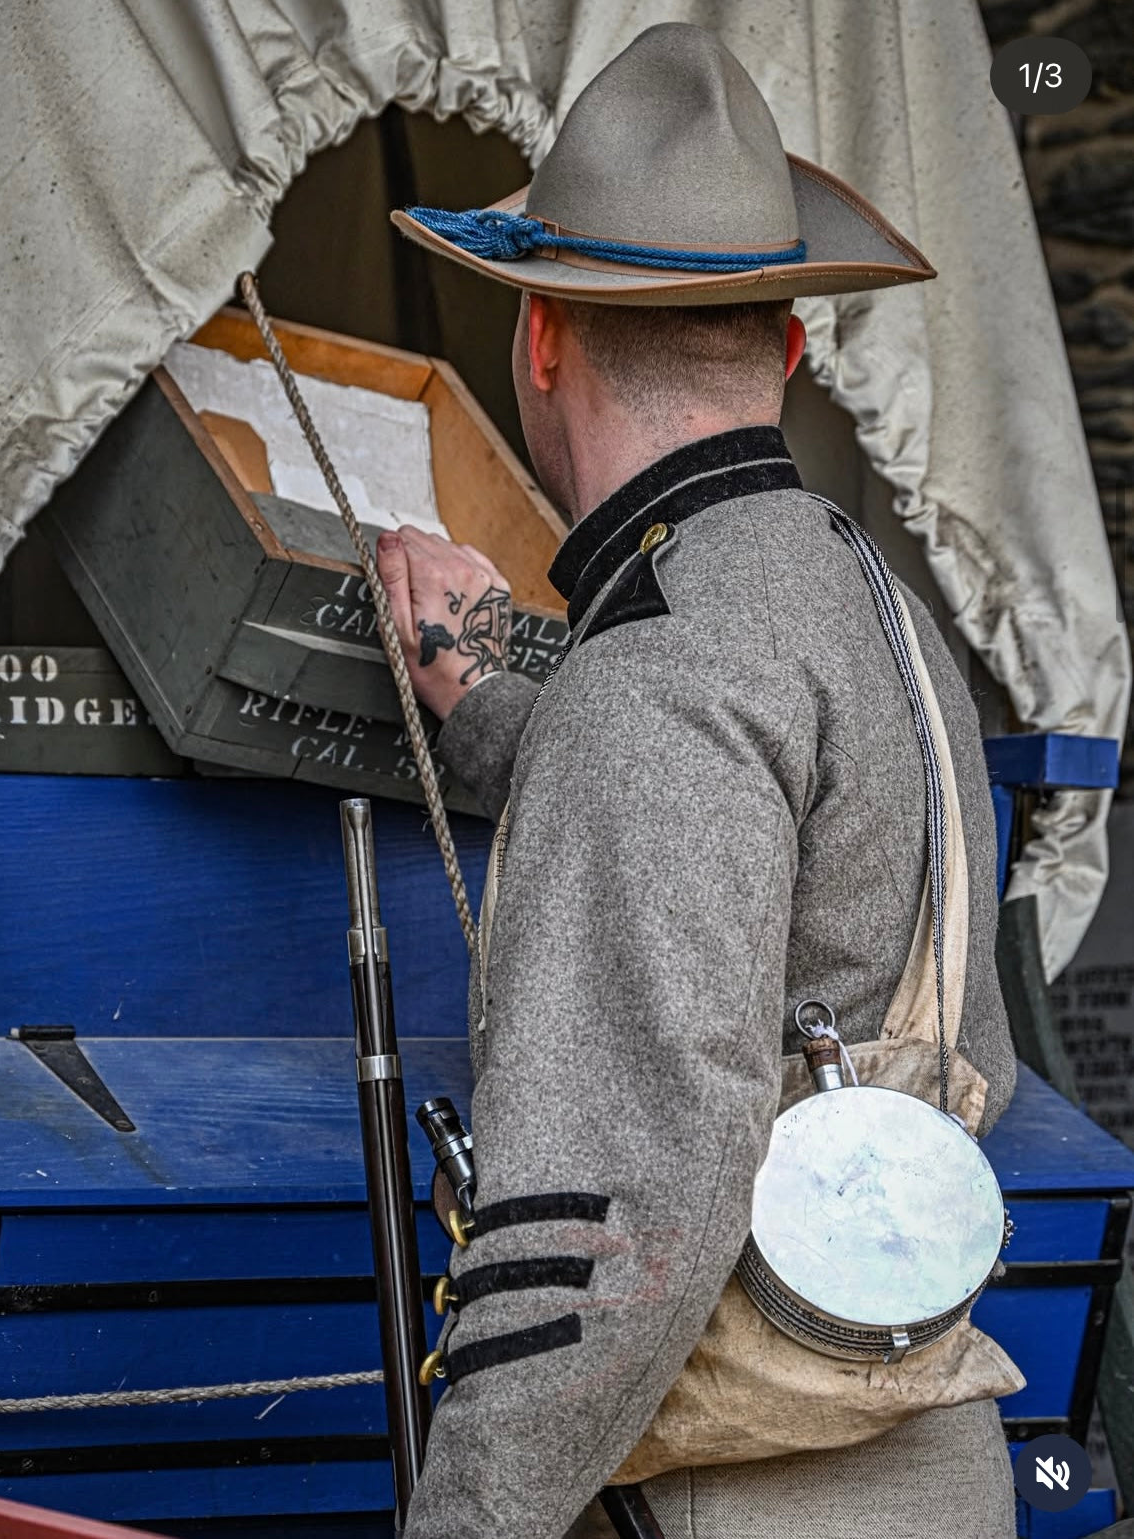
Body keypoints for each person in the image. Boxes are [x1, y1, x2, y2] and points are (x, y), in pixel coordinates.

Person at [375, 23, 1018, 1539]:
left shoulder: (661, 669)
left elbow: (614, 1220)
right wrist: (491, 701)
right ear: (788, 345)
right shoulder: (874, 612)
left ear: (539, 339)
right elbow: (741, 844)